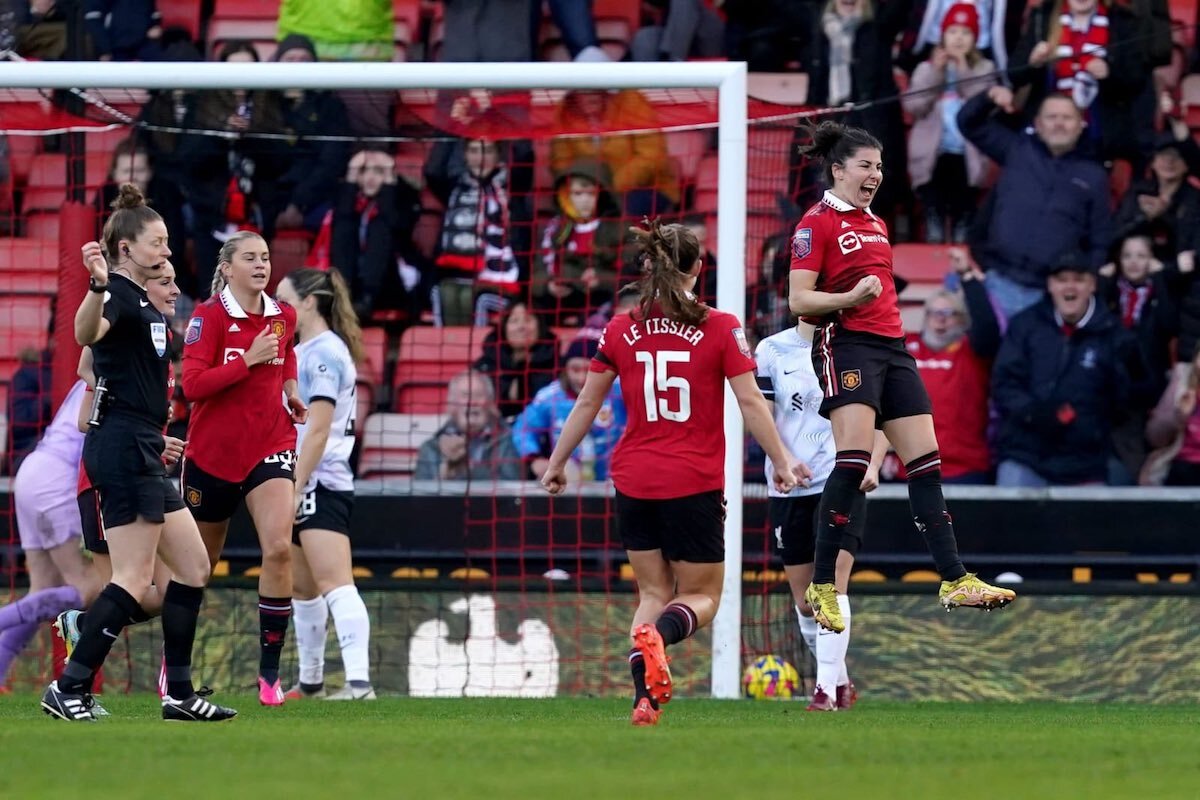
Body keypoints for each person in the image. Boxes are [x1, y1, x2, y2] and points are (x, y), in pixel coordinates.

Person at [540, 220, 802, 727]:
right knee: (702, 596)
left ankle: (644, 700)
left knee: (653, 593)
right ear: (698, 268)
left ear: (648, 268)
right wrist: (781, 459)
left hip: (634, 479)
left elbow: (588, 400)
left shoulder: (620, 328)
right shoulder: (722, 326)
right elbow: (750, 400)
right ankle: (661, 635)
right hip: (693, 480)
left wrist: (556, 463)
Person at [787, 121, 1015, 634]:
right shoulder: (814, 224)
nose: (876, 175)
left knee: (925, 464)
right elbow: (799, 300)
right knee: (851, 462)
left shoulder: (875, 222)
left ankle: (954, 579)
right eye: (866, 165)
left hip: (893, 349)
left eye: (881, 166)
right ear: (839, 169)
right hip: (847, 344)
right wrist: (849, 300)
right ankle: (822, 583)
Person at [41, 185, 233, 723]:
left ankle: (179, 694)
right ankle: (69, 686)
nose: (166, 252)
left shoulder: (148, 305)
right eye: (157, 243)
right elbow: (85, 334)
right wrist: (96, 286)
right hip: (122, 446)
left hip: (145, 446)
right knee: (130, 580)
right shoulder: (117, 296)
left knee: (194, 566)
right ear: (126, 248)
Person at [180, 230, 308, 707]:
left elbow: (287, 349)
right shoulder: (208, 317)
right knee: (197, 568)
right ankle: (177, 672)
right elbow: (191, 386)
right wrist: (248, 362)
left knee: (278, 549)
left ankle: (269, 678)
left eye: (266, 257)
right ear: (228, 268)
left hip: (270, 444)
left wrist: (290, 387)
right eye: (250, 258)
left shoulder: (282, 315)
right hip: (212, 457)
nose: (261, 265)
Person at [56, 263, 186, 701]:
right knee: (131, 586)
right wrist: (152, 437)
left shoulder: (157, 355)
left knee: (170, 588)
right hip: (103, 477)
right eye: (164, 281)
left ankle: (177, 692)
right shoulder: (117, 348)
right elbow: (82, 417)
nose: (174, 289)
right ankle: (75, 673)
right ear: (141, 289)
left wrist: (156, 440)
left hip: (140, 464)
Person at [756, 318, 889, 712]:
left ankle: (824, 691)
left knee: (830, 585)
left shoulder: (861, 348)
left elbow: (884, 415)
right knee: (804, 603)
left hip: (842, 476)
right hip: (790, 484)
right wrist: (783, 460)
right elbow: (758, 412)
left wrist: (873, 462)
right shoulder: (771, 350)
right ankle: (842, 682)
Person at [273, 269, 375, 702]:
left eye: (283, 299)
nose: (277, 308)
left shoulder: (322, 353)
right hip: (302, 479)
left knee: (336, 582)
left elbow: (318, 430)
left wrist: (295, 485)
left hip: (320, 480)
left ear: (309, 302)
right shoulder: (306, 351)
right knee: (303, 587)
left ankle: (359, 685)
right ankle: (311, 682)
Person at [992, 249, 1151, 486]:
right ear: (1050, 285)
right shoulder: (1025, 325)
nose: (1070, 287)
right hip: (1026, 455)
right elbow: (1003, 384)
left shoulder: (1114, 334)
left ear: (1092, 285)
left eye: (1079, 280)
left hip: (1087, 462)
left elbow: (1131, 401)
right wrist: (1034, 412)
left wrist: (1135, 371)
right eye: (1062, 280)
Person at [957, 87, 1110, 321]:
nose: (1059, 124)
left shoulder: (1094, 176)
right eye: (1052, 117)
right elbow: (968, 122)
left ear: (1081, 125)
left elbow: (1099, 241)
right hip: (995, 281)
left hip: (1047, 297)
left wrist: (1078, 284)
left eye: (1067, 118)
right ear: (1038, 124)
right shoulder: (1017, 149)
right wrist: (989, 97)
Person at [902, 3, 997, 244]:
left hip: (967, 149)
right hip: (934, 147)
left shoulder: (984, 68)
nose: (959, 38)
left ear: (975, 38)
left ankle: (962, 228)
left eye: (966, 33)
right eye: (953, 31)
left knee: (963, 190)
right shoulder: (926, 68)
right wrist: (936, 72)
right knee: (934, 184)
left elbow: (982, 105)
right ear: (943, 35)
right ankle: (933, 223)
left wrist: (964, 70)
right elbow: (914, 107)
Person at [905, 250, 1002, 484]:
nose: (940, 319)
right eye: (934, 313)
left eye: (949, 314)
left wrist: (967, 277)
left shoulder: (971, 351)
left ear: (962, 320)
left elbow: (988, 329)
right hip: (909, 470)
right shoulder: (905, 347)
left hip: (965, 469)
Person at [512, 337, 626, 482]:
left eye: (590, 370)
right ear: (565, 368)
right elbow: (523, 428)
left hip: (617, 477)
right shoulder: (550, 397)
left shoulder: (620, 390)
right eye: (575, 369)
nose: (582, 378)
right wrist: (534, 458)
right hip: (569, 480)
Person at [414, 370, 522, 482]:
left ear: (490, 403)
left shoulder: (508, 441)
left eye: (479, 395)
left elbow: (512, 488)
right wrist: (443, 477)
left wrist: (467, 470)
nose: (472, 402)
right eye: (465, 395)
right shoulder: (431, 448)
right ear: (451, 404)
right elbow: (418, 495)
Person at [473, 301, 558, 420]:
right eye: (514, 321)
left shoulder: (558, 366)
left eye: (528, 320)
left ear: (540, 326)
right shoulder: (484, 366)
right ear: (504, 328)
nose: (521, 327)